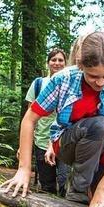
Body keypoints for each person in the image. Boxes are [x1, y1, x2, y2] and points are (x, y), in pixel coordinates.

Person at [2, 32, 104, 207]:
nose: (100, 83)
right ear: (80, 65)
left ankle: (91, 188)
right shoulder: (64, 78)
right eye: (93, 76)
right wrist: (24, 169)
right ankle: (79, 188)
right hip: (68, 145)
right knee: (101, 125)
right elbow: (29, 119)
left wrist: (102, 189)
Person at [23, 49, 69, 197]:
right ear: (48, 63)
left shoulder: (71, 84)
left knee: (65, 182)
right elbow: (29, 117)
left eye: (60, 60)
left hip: (64, 142)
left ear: (66, 63)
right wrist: (23, 146)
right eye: (53, 60)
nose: (57, 63)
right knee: (46, 186)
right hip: (41, 141)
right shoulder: (38, 84)